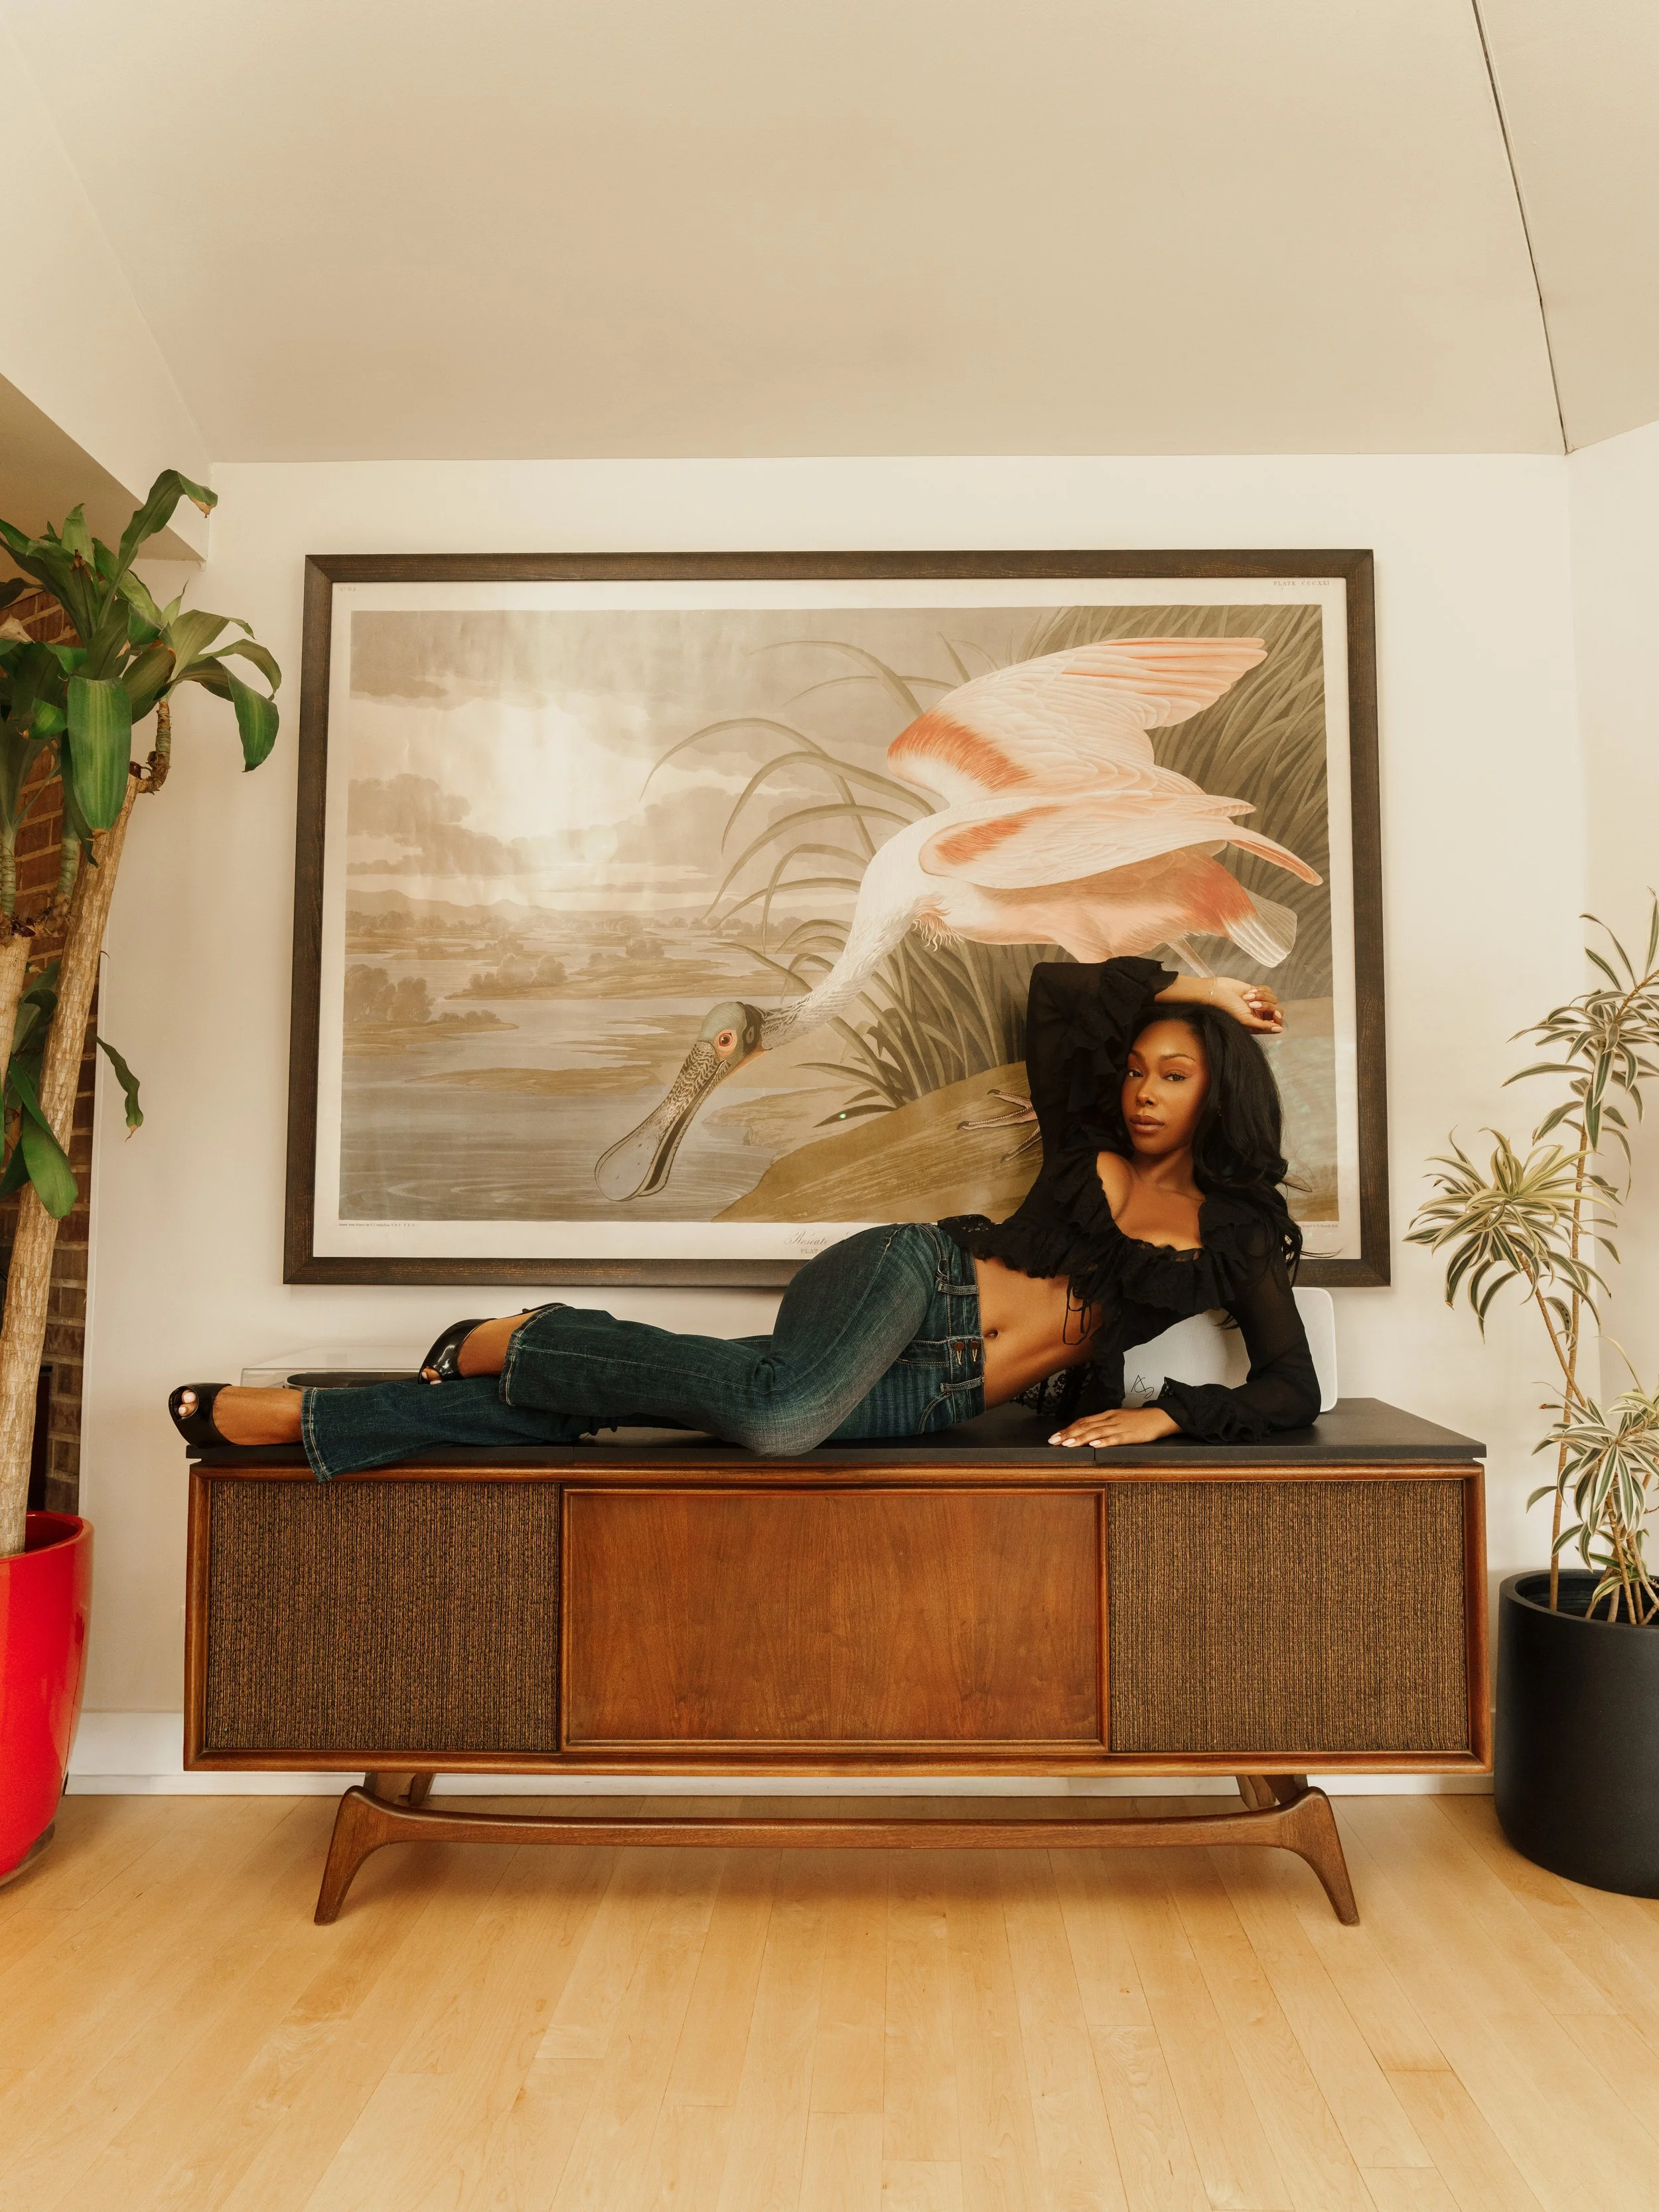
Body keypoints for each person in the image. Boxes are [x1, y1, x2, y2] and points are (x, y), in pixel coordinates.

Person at [169, 958, 1320, 1477]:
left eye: (1173, 1074)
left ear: (1221, 1086)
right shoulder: (1093, 1142)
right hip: (914, 1280)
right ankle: (539, 1334)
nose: (1141, 1091)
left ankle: (323, 1421)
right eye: (1138, 1070)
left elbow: (1287, 1389)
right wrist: (1195, 989)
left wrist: (1168, 1419)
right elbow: (1063, 993)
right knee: (775, 1420)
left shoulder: (1239, 1235)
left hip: (938, 1392)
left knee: (694, 1424)